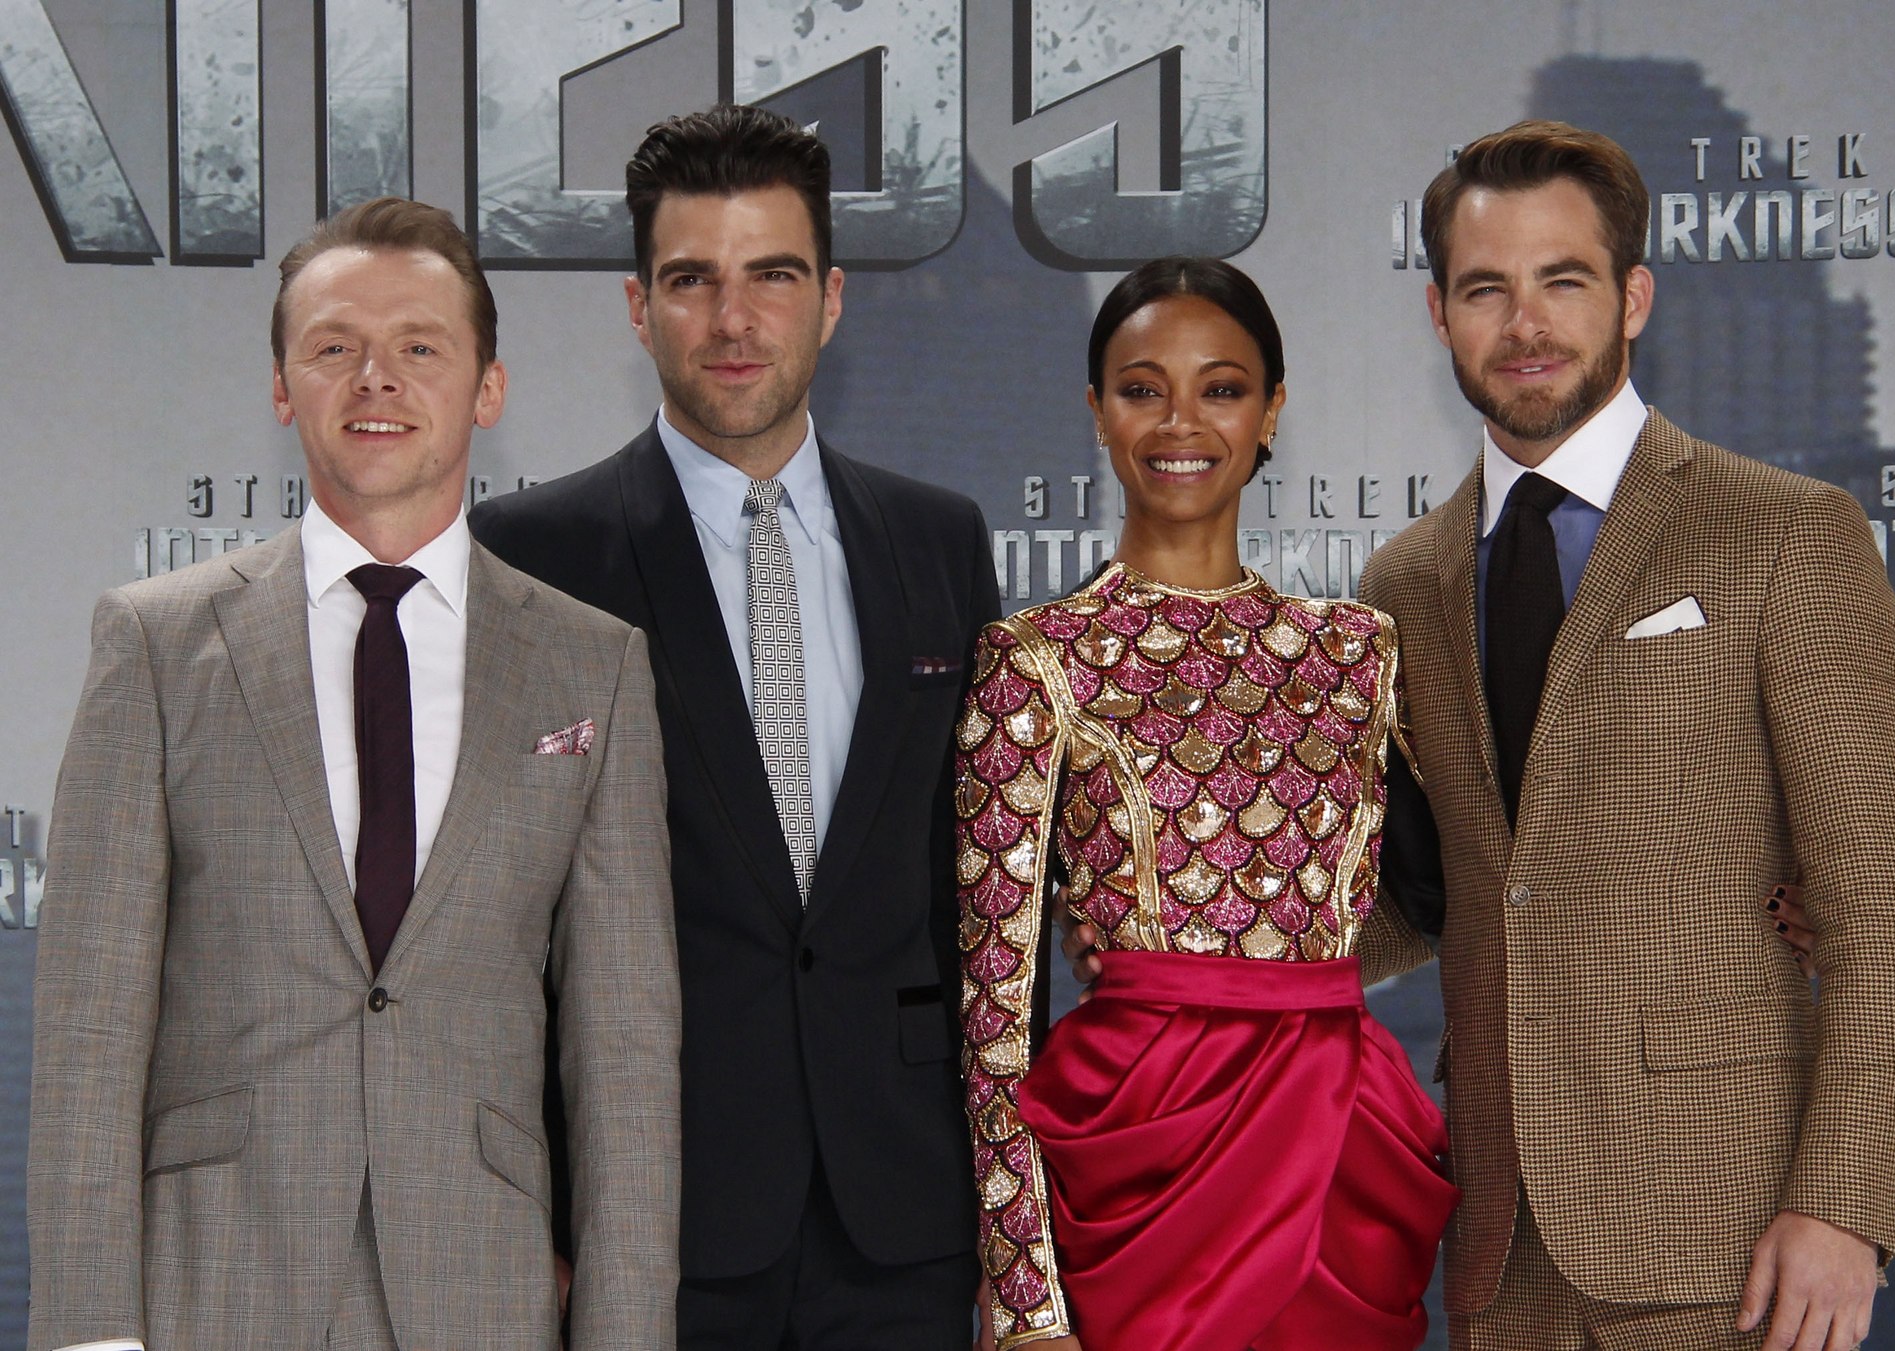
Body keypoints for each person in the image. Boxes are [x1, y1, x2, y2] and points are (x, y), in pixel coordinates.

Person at [26, 198, 681, 1351]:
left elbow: (622, 1051)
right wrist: (89, 1334)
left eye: (419, 346)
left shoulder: (593, 666)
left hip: (479, 1287)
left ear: (487, 388)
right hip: (212, 1286)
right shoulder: (158, 643)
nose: (376, 377)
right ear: (283, 388)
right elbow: (90, 1025)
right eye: (334, 347)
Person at [1354, 120, 1895, 1351]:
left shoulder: (1783, 534)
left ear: (1631, 297)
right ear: (1437, 313)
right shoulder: (1401, 581)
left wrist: (1840, 1204)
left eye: (1561, 280)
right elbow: (1435, 890)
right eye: (1485, 288)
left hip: (1728, 1240)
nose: (1524, 323)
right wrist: (1175, 925)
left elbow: (1881, 908)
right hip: (1497, 1243)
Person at [470, 105, 999, 1347]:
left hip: (909, 1214)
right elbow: (495, 925)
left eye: (772, 275)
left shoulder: (939, 540)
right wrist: (538, 1211)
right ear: (636, 306)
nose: (731, 319)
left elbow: (982, 902)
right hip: (649, 1219)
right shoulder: (530, 556)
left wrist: (1005, 1213)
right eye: (690, 279)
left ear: (830, 299)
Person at [957, 256, 1457, 1351]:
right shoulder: (1035, 662)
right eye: (1143, 389)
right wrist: (1027, 1301)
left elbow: (1467, 881)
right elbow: (992, 1010)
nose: (1180, 421)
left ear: (1271, 410)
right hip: (1134, 1159)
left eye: (1220, 388)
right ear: (1097, 411)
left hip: (1339, 1149)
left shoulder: (1357, 652)